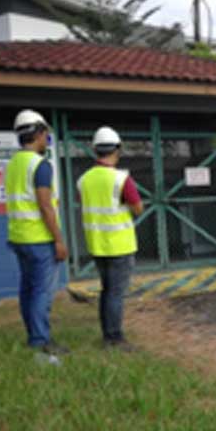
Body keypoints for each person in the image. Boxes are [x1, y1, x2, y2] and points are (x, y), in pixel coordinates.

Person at [6, 110, 69, 355]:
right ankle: (40, 340)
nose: (47, 140)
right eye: (46, 135)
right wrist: (59, 240)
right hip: (39, 239)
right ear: (40, 134)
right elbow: (44, 205)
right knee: (42, 291)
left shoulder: (13, 164)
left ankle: (34, 334)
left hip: (19, 237)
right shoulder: (40, 165)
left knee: (28, 289)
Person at [77, 126, 143, 351]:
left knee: (106, 291)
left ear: (95, 150)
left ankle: (108, 334)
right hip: (119, 245)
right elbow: (138, 208)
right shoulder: (121, 179)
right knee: (115, 293)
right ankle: (114, 338)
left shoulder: (83, 179)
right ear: (118, 149)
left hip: (96, 244)